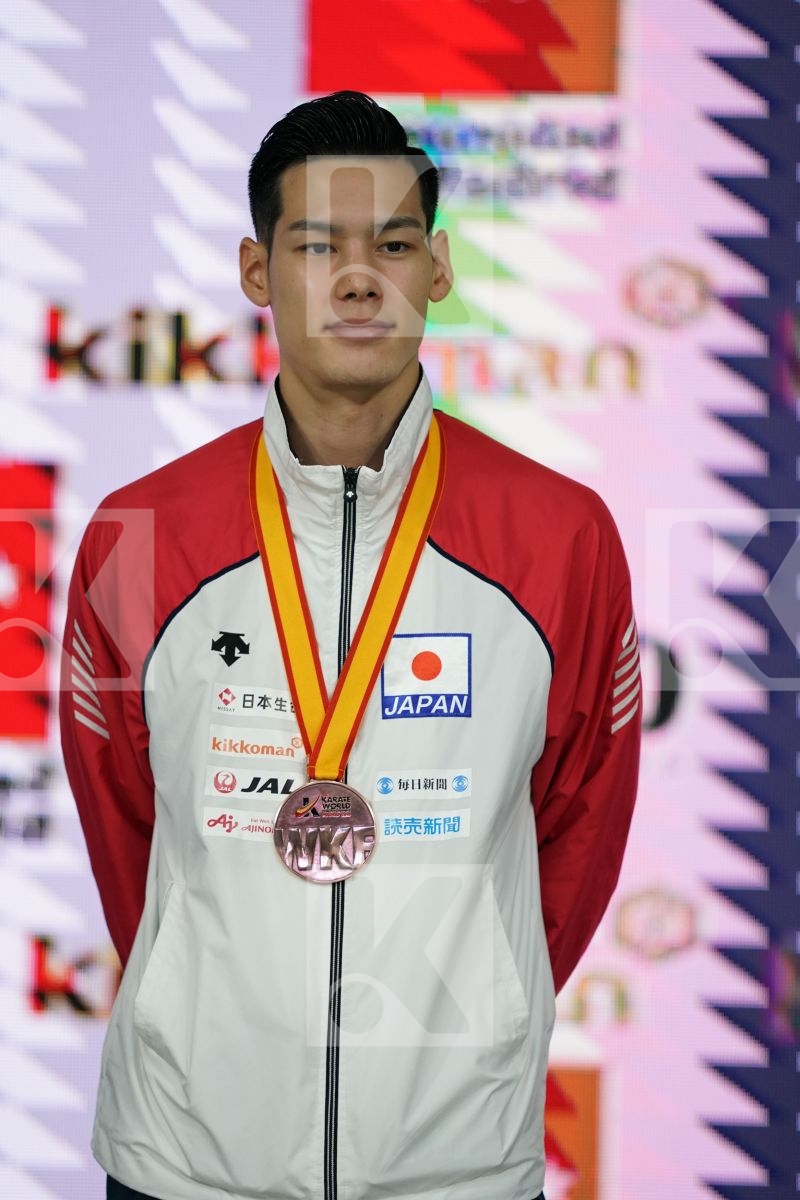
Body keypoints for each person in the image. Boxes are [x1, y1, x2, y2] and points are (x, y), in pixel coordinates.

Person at [61, 90, 641, 1200]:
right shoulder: (139, 534)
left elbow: (576, 828)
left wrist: (484, 1019)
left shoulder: (560, 533)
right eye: (316, 244)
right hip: (185, 1162)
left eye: (394, 242)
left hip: (455, 1169)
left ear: (438, 272)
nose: (358, 276)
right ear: (254, 271)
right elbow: (123, 824)